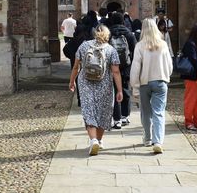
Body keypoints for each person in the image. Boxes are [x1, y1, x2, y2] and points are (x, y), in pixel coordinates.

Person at [69, 25, 124, 156]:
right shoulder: (111, 50)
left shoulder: (84, 46)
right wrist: (120, 90)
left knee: (89, 111)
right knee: (103, 111)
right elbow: (115, 71)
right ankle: (98, 140)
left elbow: (76, 67)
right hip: (104, 84)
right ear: (107, 35)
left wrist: (72, 81)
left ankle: (93, 139)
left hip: (85, 83)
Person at [130, 18, 173, 153]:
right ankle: (158, 141)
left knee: (146, 112)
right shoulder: (163, 44)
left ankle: (148, 138)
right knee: (159, 112)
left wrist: (135, 86)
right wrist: (165, 76)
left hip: (145, 83)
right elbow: (170, 66)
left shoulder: (140, 45)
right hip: (160, 81)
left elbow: (135, 68)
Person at [106, 11, 136, 129]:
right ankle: (125, 115)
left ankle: (116, 118)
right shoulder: (129, 34)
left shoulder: (108, 34)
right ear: (123, 21)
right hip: (126, 66)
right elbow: (134, 50)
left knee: (114, 91)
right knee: (125, 90)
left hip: (112, 67)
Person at [179, 23, 197, 131]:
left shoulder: (195, 44)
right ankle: (189, 122)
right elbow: (194, 60)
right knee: (191, 100)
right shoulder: (190, 44)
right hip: (192, 75)